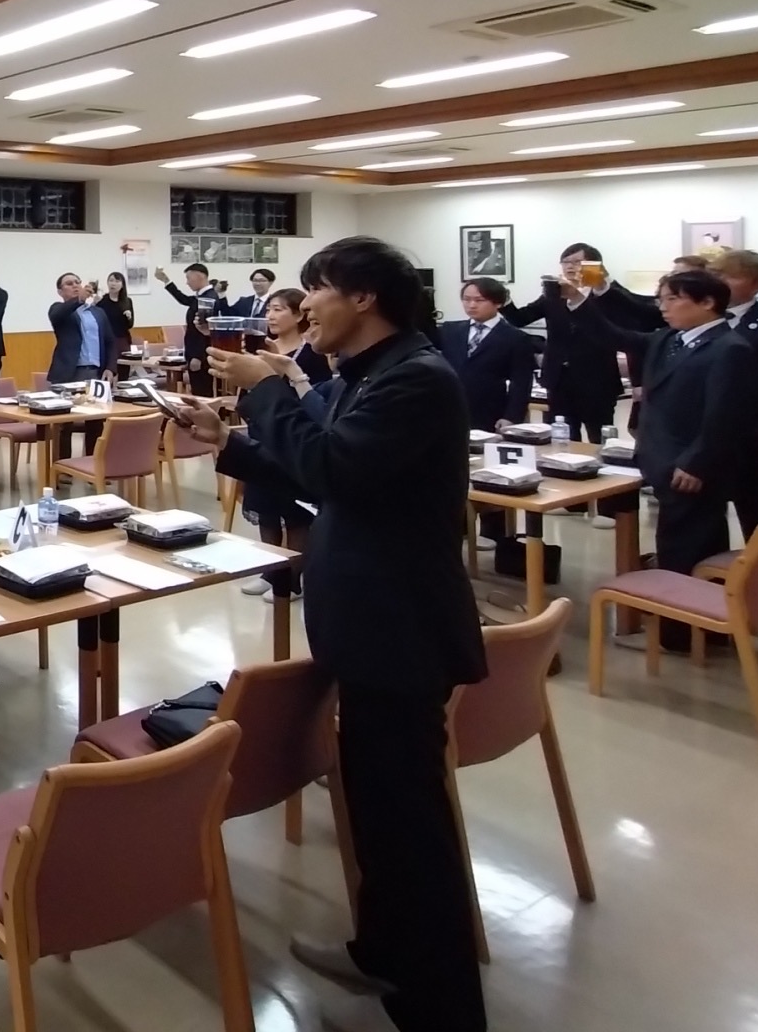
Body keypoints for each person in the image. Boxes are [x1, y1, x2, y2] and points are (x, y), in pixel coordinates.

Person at [189, 236, 486, 1031]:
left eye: (315, 288)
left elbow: (336, 469)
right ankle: (384, 951)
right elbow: (329, 473)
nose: (304, 305)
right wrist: (229, 443)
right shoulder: (370, 372)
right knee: (379, 812)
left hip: (401, 630)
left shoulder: (416, 377)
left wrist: (266, 388)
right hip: (371, 625)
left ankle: (442, 1007)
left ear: (363, 297)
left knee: (409, 824)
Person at [626, 270, 758, 644]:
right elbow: (616, 336)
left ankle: (684, 633)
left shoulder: (730, 348)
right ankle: (697, 627)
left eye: (673, 299)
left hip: (693, 466)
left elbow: (725, 415)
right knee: (683, 542)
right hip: (664, 458)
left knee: (687, 546)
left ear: (707, 303)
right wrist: (576, 301)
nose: (663, 307)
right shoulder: (672, 339)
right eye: (662, 299)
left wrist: (696, 462)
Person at [503, 242, 654, 439]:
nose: (570, 266)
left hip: (597, 378)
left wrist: (601, 284)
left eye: (576, 262)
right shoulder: (555, 294)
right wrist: (504, 300)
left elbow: (631, 327)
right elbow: (520, 318)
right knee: (561, 436)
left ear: (594, 265)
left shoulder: (608, 295)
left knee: (599, 436)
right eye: (565, 262)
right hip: (558, 378)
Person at [236, 287, 332, 600]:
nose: (271, 316)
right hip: (262, 435)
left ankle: (292, 579)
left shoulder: (311, 351)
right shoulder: (262, 348)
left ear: (299, 313)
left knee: (294, 513)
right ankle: (270, 571)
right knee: (266, 508)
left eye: (278, 309)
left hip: (293, 435)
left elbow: (316, 398)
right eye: (268, 310)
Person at [713, 248, 758, 538]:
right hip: (702, 430)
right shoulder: (705, 317)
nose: (721, 282)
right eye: (718, 274)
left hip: (748, 434)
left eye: (730, 276)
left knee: (753, 505)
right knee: (705, 510)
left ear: (755, 283)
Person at [440, 278, 537, 432]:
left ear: (498, 303)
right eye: (466, 299)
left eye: (479, 300)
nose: (471, 305)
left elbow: (521, 382)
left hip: (490, 411)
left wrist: (511, 417)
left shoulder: (515, 337)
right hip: (450, 409)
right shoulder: (450, 330)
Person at [158, 263, 222, 395]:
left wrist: (198, 357)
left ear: (200, 277)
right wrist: (166, 280)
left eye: (189, 278)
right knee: (198, 391)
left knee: (202, 392)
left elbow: (205, 332)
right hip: (195, 353)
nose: (187, 282)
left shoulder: (208, 299)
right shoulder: (203, 296)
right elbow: (184, 299)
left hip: (201, 356)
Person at [47, 271, 112, 382]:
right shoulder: (57, 308)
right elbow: (58, 314)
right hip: (69, 373)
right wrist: (79, 300)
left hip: (97, 372)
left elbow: (110, 341)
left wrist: (110, 368)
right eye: (69, 283)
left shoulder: (98, 312)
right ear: (60, 292)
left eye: (77, 282)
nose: (75, 285)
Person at [99, 270, 136, 347]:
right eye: (111, 280)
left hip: (123, 339)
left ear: (122, 285)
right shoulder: (102, 300)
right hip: (107, 340)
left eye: (117, 281)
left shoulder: (127, 301)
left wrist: (129, 317)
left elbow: (130, 325)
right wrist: (94, 303)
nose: (113, 284)